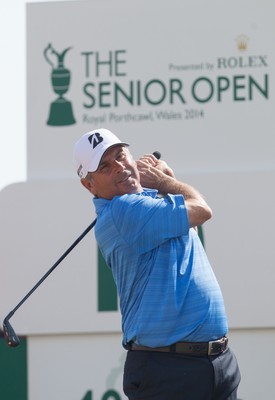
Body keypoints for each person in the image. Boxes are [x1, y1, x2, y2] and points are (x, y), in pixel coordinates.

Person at [73, 128, 241, 400]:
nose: (118, 166)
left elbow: (187, 232)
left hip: (215, 363)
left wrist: (164, 181)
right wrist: (164, 182)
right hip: (169, 372)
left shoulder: (143, 203)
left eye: (121, 155)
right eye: (104, 166)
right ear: (89, 185)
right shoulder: (124, 211)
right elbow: (201, 209)